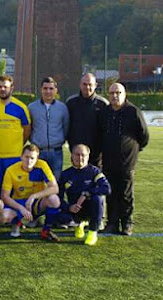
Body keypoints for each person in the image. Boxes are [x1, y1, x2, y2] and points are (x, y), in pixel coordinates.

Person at [100, 83, 149, 235]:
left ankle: (127, 223)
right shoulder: (105, 112)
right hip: (108, 160)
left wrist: (133, 150)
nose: (115, 96)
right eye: (112, 93)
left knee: (126, 194)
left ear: (124, 94)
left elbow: (144, 135)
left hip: (127, 161)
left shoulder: (133, 111)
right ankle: (112, 223)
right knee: (111, 193)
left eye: (118, 92)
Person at [0, 144, 62, 242]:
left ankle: (46, 230)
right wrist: (21, 208)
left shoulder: (42, 165)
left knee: (54, 200)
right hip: (19, 202)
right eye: (26, 157)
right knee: (3, 217)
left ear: (37, 158)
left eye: (32, 158)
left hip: (36, 203)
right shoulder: (11, 170)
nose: (29, 161)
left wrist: (33, 196)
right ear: (21, 156)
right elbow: (4, 196)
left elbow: (55, 188)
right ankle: (18, 222)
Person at [58, 144, 111, 246]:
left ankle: (92, 232)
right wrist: (69, 207)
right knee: (56, 213)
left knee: (98, 199)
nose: (80, 158)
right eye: (77, 155)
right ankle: (78, 224)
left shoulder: (94, 171)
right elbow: (58, 197)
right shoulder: (65, 174)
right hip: (74, 210)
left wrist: (87, 193)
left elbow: (106, 189)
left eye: (83, 155)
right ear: (72, 155)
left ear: (88, 156)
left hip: (90, 209)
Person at [0, 75, 31, 189]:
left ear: (12, 88)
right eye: (0, 87)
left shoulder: (21, 107)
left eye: (5, 87)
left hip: (14, 155)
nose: (2, 89)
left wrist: (18, 144)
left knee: (14, 187)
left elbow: (27, 130)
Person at [28, 77, 69, 180]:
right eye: (45, 88)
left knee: (55, 182)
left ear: (56, 90)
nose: (48, 91)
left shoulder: (62, 108)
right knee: (37, 182)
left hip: (56, 152)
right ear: (41, 89)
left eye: (51, 88)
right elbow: (29, 127)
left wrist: (59, 140)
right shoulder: (32, 107)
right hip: (38, 152)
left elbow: (66, 126)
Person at [66, 73, 108, 167]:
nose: (87, 87)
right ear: (80, 84)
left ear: (95, 85)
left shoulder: (103, 104)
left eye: (90, 84)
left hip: (96, 156)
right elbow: (66, 126)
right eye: (84, 84)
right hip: (76, 154)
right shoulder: (71, 102)